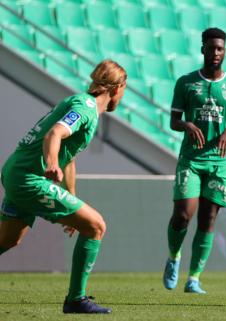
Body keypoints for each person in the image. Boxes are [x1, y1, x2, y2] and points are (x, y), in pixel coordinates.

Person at [0, 60, 127, 314]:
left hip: (17, 171)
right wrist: (51, 162)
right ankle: (76, 300)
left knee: (9, 239)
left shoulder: (80, 103)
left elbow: (69, 158)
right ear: (117, 88)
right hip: (30, 177)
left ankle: (76, 299)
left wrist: (71, 197)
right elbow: (54, 134)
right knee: (96, 226)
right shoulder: (86, 107)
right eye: (124, 89)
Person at [162, 27, 226, 294]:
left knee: (208, 219)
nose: (215, 53)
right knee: (183, 215)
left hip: (220, 163)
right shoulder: (186, 83)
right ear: (203, 49)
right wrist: (187, 125)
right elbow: (174, 120)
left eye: (220, 48)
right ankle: (174, 256)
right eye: (210, 48)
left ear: (225, 51)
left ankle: (194, 278)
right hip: (192, 159)